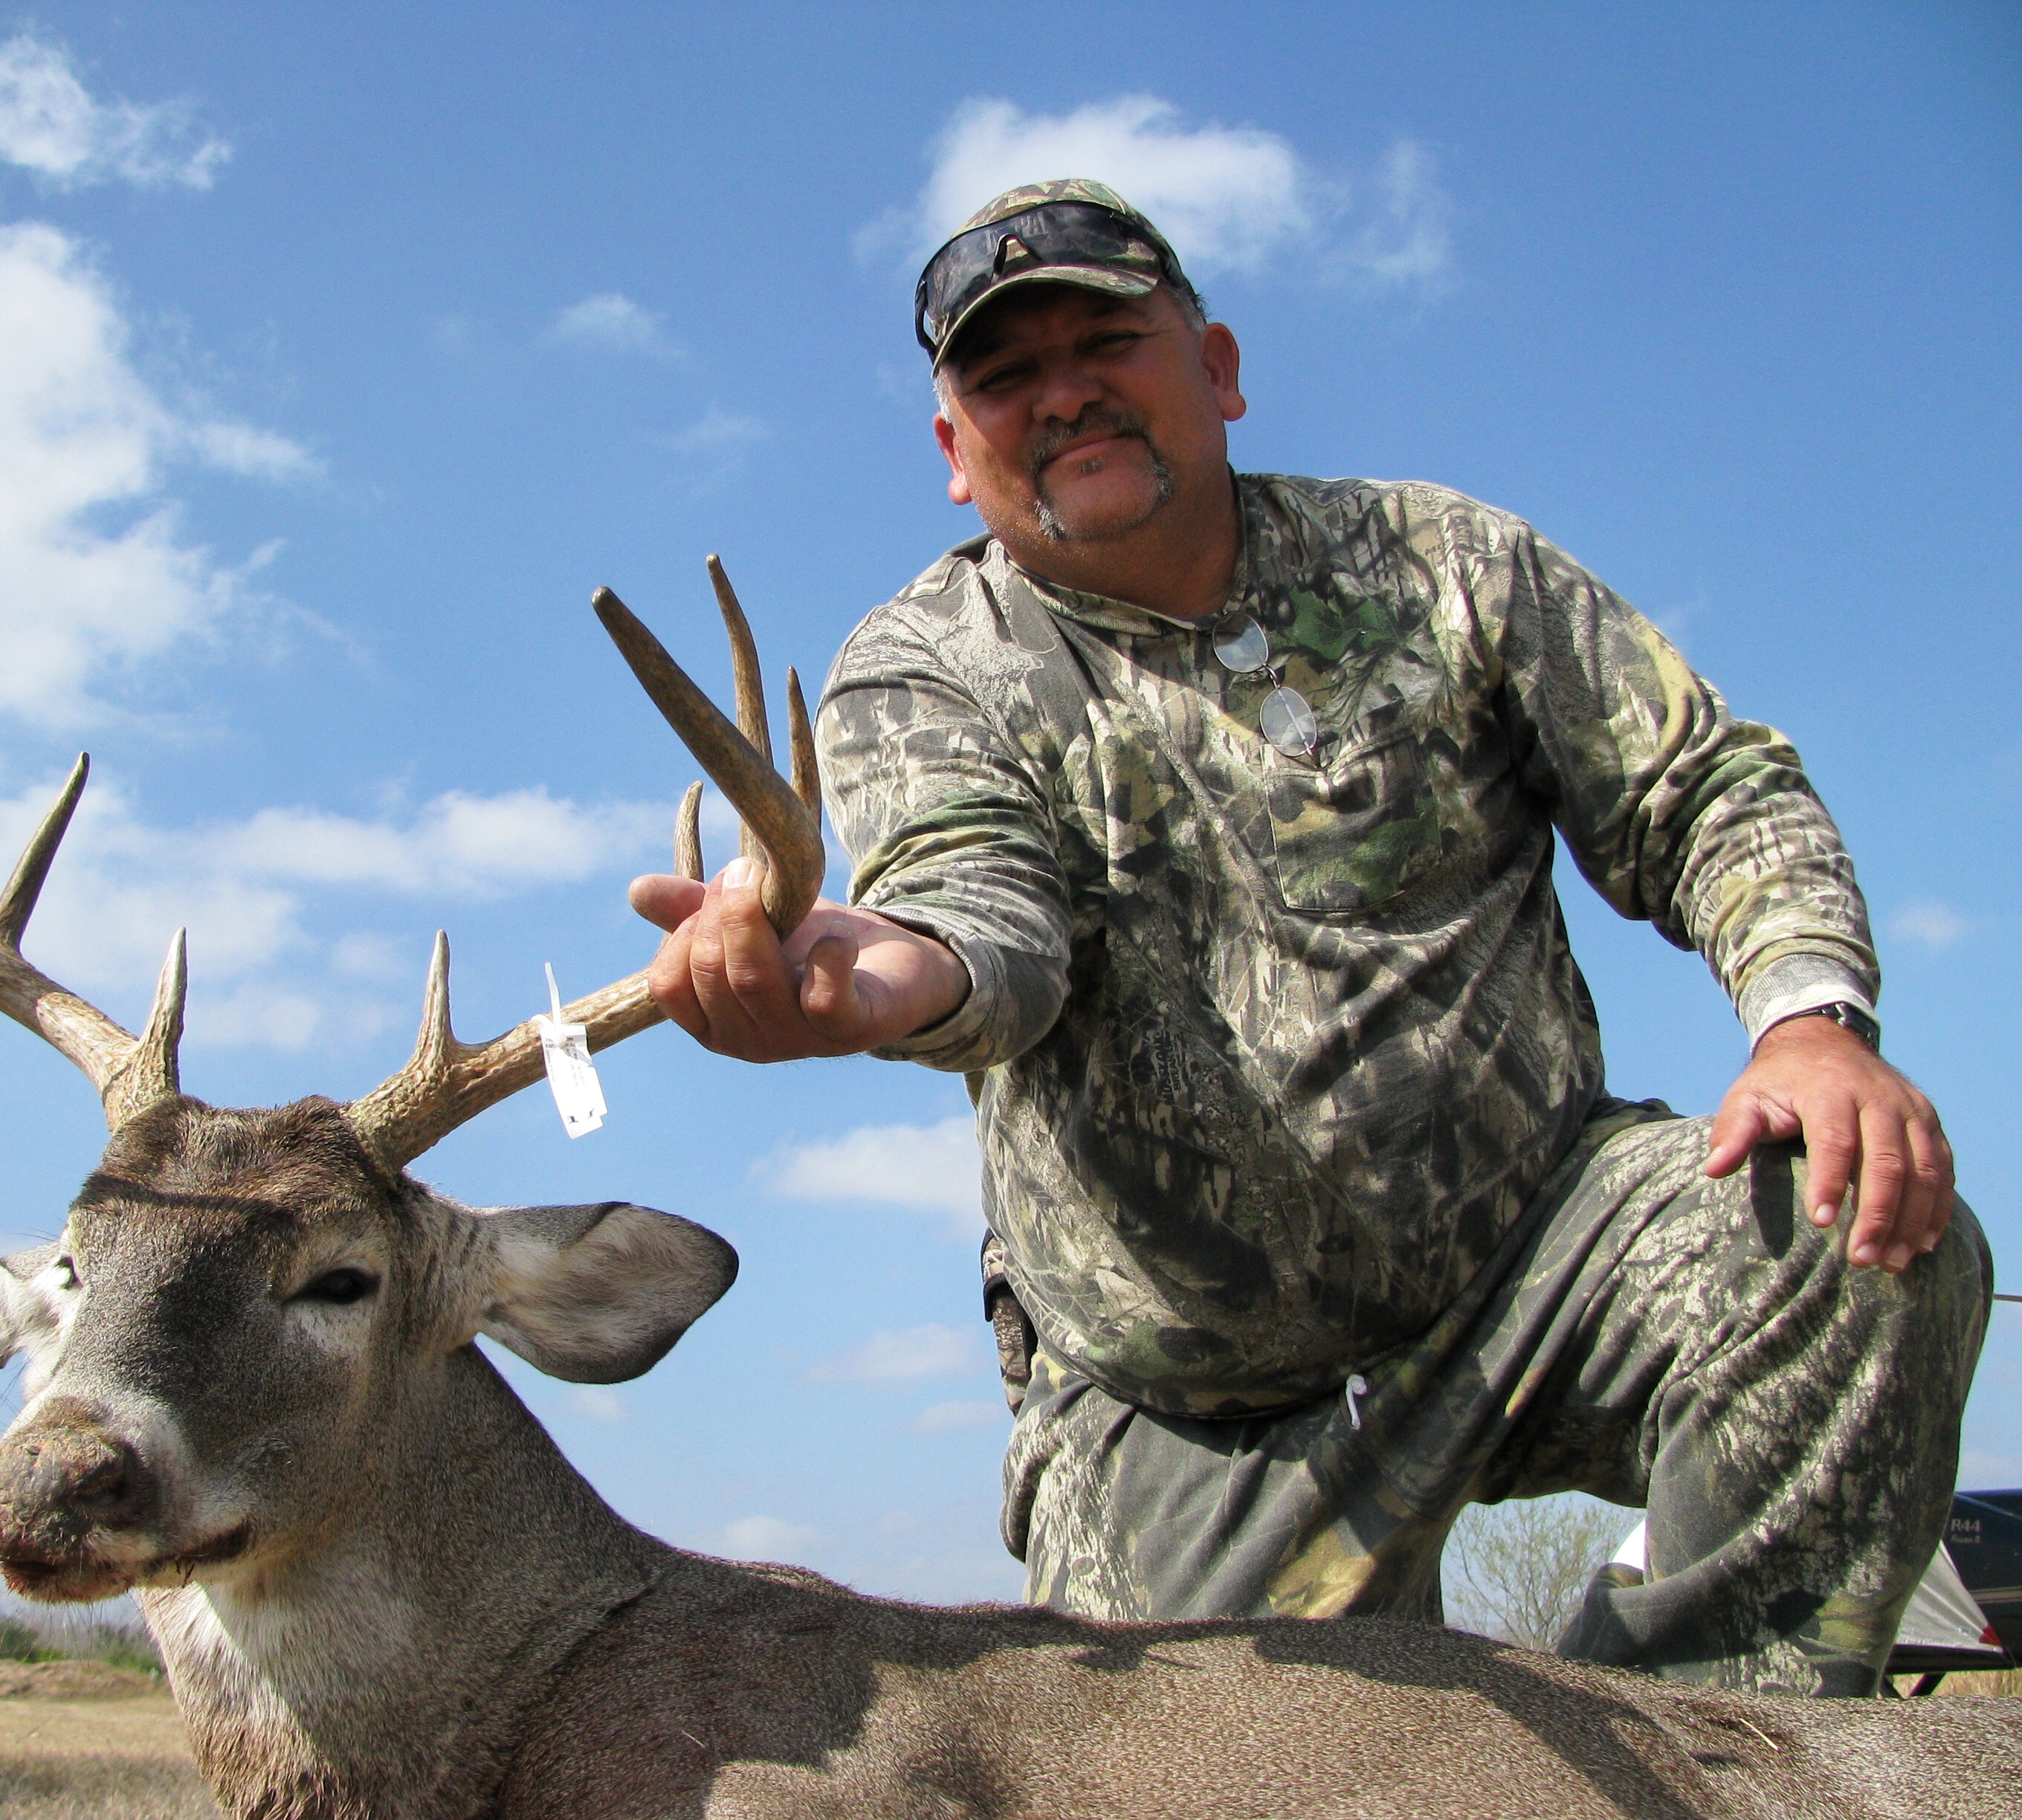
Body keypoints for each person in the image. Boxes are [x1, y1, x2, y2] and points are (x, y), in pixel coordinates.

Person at [625, 179, 1989, 1697]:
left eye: (1107, 343)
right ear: (957, 451)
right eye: (1007, 376)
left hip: (1536, 1267)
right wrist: (867, 985)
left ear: (1217, 370)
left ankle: (1702, 1760)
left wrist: (1810, 1022)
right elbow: (976, 911)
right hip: (1190, 1399)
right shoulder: (925, 668)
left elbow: (1703, 788)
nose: (1063, 394)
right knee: (1180, 1783)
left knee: (1854, 1221)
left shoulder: (1439, 562)